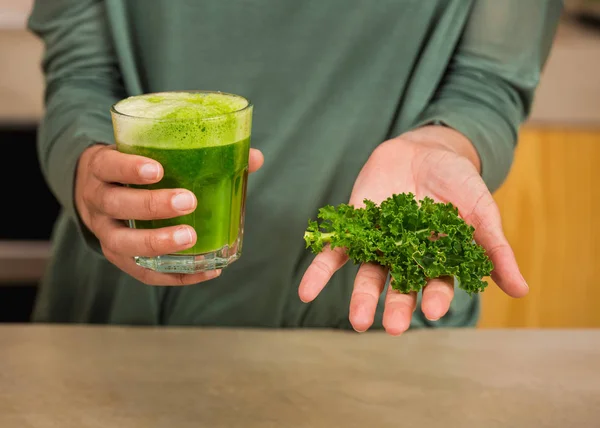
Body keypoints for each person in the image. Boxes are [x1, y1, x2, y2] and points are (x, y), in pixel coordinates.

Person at [27, 0, 562, 333]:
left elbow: (488, 80)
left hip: (380, 325)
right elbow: (81, 75)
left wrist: (445, 144)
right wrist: (85, 168)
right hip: (124, 316)